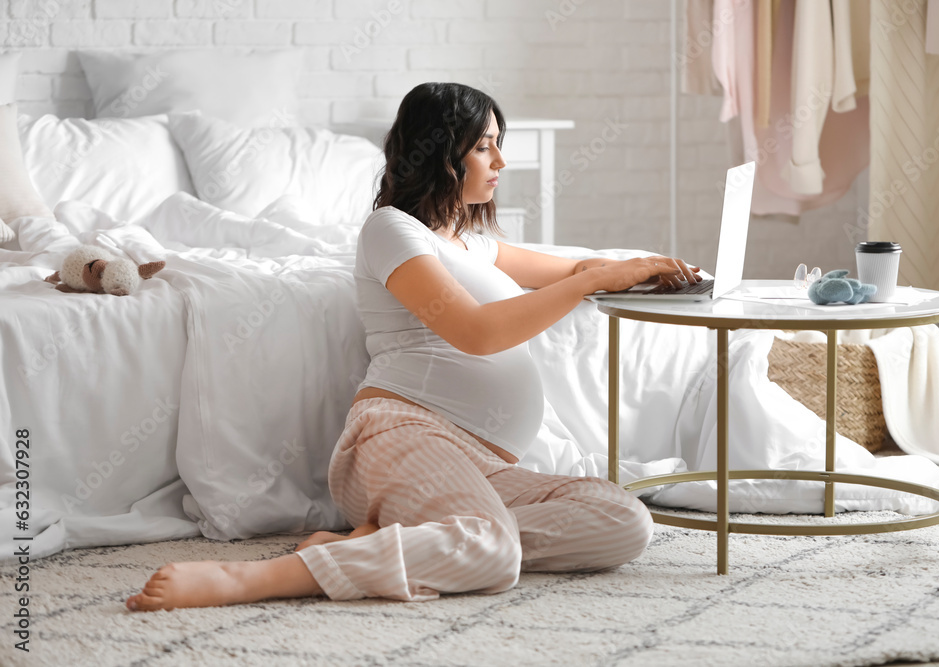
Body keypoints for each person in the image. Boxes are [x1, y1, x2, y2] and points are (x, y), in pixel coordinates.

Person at [126, 82, 701, 611]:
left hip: (483, 465)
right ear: (442, 154)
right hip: (402, 437)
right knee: (494, 554)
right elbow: (476, 332)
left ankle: (403, 541)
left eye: (499, 146)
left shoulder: (476, 244)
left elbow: (574, 267)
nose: (500, 162)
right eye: (484, 147)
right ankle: (262, 578)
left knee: (622, 518)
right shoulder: (392, 230)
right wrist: (592, 280)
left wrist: (645, 269)